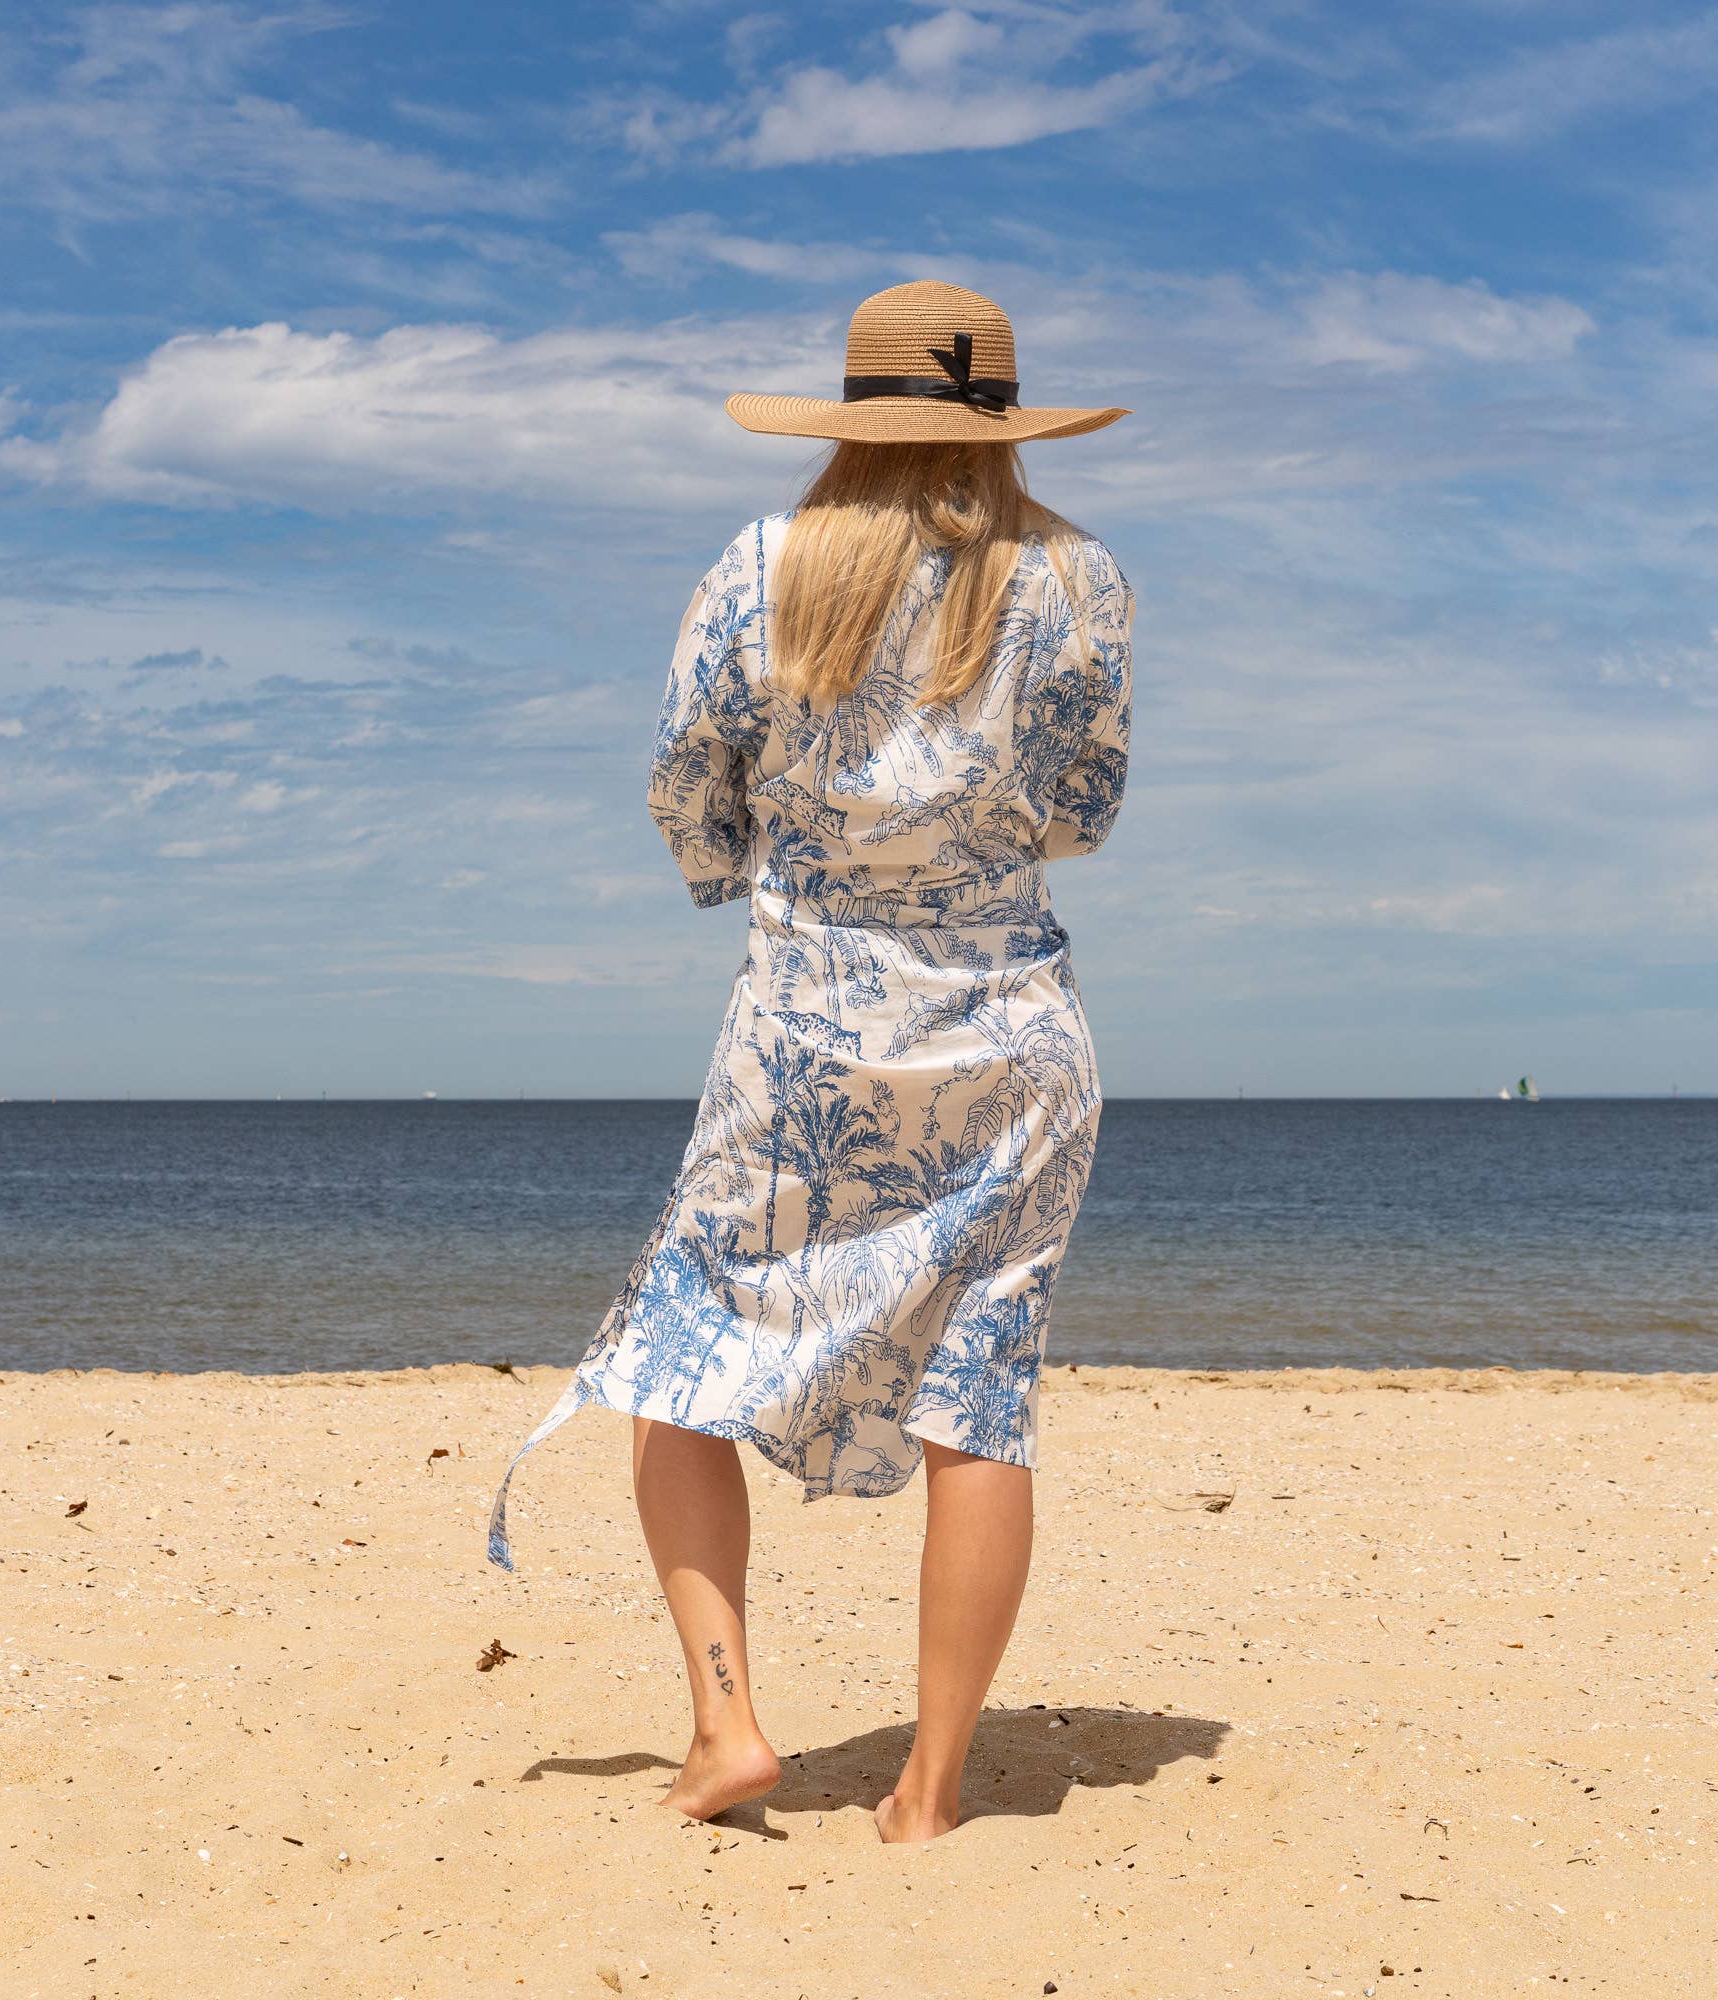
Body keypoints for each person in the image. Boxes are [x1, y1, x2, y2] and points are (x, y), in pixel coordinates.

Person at [488, 280, 1134, 1844]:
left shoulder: (763, 570)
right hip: (1008, 1033)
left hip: (801, 1038)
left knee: (682, 1371)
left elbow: (682, 785)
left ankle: (726, 1725)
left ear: (852, 417)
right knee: (980, 1406)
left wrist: (762, 869)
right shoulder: (1080, 580)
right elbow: (1086, 808)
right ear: (1003, 423)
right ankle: (930, 1792)